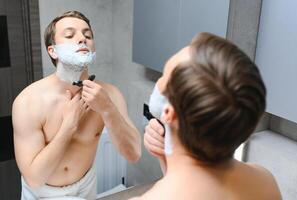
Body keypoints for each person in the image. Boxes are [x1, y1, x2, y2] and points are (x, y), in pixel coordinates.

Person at [132, 32, 281, 200]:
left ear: (168, 113)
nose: (158, 83)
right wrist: (167, 156)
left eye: (164, 76)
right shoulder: (265, 182)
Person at [12, 11, 141, 200]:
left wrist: (107, 109)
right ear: (53, 51)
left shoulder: (110, 95)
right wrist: (69, 125)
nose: (82, 39)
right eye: (70, 35)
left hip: (86, 189)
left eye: (87, 35)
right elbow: (34, 179)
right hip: (42, 194)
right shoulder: (28, 101)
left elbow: (133, 154)